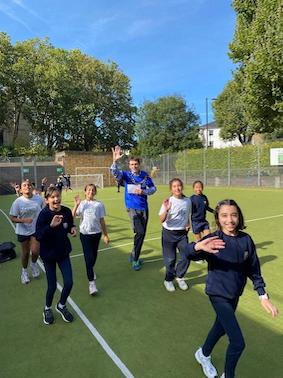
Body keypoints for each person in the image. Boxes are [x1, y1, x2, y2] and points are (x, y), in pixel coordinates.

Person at [185, 199, 279, 378]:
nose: (230, 220)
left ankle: (203, 354)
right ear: (218, 219)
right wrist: (197, 246)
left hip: (234, 294)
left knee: (220, 327)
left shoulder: (246, 240)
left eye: (233, 215)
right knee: (237, 343)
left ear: (239, 216)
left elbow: (254, 269)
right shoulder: (214, 239)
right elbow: (186, 252)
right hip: (217, 293)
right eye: (224, 216)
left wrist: (263, 295)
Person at [110, 145, 156, 271]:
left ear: (139, 164)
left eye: (135, 164)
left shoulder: (145, 176)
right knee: (139, 232)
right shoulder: (125, 175)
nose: (133, 166)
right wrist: (115, 161)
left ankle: (133, 254)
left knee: (141, 234)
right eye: (131, 164)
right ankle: (135, 259)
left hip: (144, 207)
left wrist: (144, 192)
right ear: (129, 165)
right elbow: (114, 172)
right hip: (132, 207)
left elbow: (153, 189)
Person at [36, 186, 76, 325]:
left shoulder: (65, 211)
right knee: (52, 286)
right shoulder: (43, 215)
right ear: (47, 200)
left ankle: (61, 305)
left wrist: (72, 228)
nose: (56, 199)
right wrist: (51, 226)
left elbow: (70, 223)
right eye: (52, 197)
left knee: (69, 282)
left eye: (58, 196)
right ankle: (47, 308)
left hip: (63, 253)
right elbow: (39, 235)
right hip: (48, 255)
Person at [72, 184, 109, 295]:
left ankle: (90, 270)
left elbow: (102, 220)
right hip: (85, 234)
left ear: (95, 192)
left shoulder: (99, 205)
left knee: (93, 257)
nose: (91, 192)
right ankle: (91, 284)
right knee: (88, 259)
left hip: (96, 234)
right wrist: (76, 205)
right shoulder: (82, 204)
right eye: (88, 190)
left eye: (93, 190)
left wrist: (105, 235)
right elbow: (72, 216)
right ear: (85, 192)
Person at [159, 178, 192, 292]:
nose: (177, 188)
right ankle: (168, 280)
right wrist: (167, 210)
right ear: (171, 189)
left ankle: (180, 277)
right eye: (174, 186)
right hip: (168, 234)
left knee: (186, 256)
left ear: (182, 187)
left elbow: (187, 214)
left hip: (182, 234)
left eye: (179, 186)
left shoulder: (188, 201)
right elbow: (161, 219)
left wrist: (188, 223)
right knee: (170, 259)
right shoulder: (168, 201)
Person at [9, 179, 44, 284]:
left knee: (35, 251)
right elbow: (12, 217)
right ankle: (24, 272)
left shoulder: (39, 199)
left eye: (29, 185)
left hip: (35, 230)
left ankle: (33, 264)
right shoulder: (18, 202)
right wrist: (23, 220)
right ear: (21, 189)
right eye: (24, 185)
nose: (27, 187)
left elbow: (44, 211)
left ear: (32, 187)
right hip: (22, 231)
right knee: (24, 254)